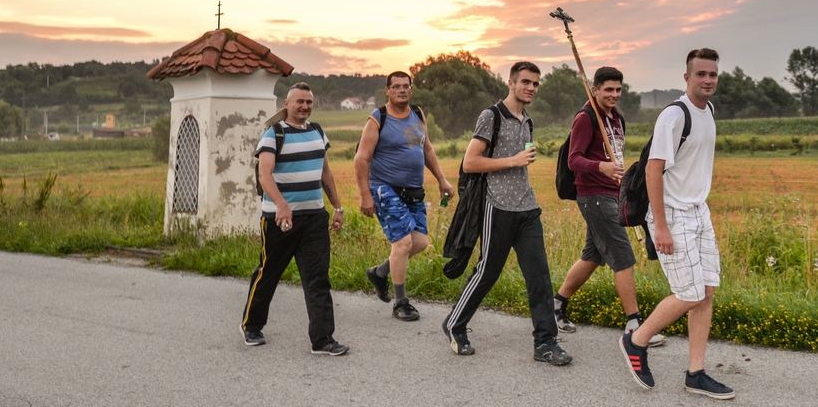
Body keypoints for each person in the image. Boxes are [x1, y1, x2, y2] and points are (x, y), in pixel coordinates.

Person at [619, 49, 733, 399]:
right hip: (672, 213)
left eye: (713, 74)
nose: (708, 80)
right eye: (701, 74)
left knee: (707, 292)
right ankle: (635, 341)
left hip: (699, 212)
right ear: (687, 77)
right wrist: (662, 227)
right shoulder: (674, 115)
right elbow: (654, 169)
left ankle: (695, 373)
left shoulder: (708, 110)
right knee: (689, 293)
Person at [441, 61, 571, 366]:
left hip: (527, 207)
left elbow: (519, 162)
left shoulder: (528, 120)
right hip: (496, 206)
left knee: (539, 276)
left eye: (536, 84)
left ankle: (546, 343)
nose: (531, 88)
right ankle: (454, 323)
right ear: (511, 83)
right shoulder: (492, 116)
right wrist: (512, 160)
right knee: (488, 272)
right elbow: (470, 162)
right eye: (526, 82)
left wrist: (519, 161)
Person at [554, 66, 664, 347]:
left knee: (593, 255)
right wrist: (601, 166)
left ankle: (556, 306)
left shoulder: (616, 119)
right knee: (623, 257)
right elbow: (573, 160)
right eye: (608, 90)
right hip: (592, 195)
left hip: (611, 195)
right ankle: (634, 326)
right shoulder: (586, 117)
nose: (614, 95)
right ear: (595, 90)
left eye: (618, 90)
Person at [241, 82, 348, 356]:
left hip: (314, 217)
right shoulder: (272, 134)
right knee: (269, 272)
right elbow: (265, 175)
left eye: (309, 102)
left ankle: (323, 340)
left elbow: (326, 173)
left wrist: (337, 207)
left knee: (318, 277)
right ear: (287, 104)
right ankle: (252, 326)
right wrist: (281, 205)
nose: (304, 106)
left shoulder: (317, 132)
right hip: (279, 220)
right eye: (299, 101)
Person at [356, 70, 454, 321]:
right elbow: (361, 159)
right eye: (396, 86)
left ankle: (379, 273)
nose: (402, 90)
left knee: (419, 242)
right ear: (387, 90)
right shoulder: (378, 118)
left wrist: (441, 179)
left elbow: (427, 149)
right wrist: (366, 196)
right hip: (385, 188)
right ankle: (401, 302)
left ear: (411, 89)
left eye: (406, 86)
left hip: (413, 191)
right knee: (403, 244)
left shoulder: (418, 114)